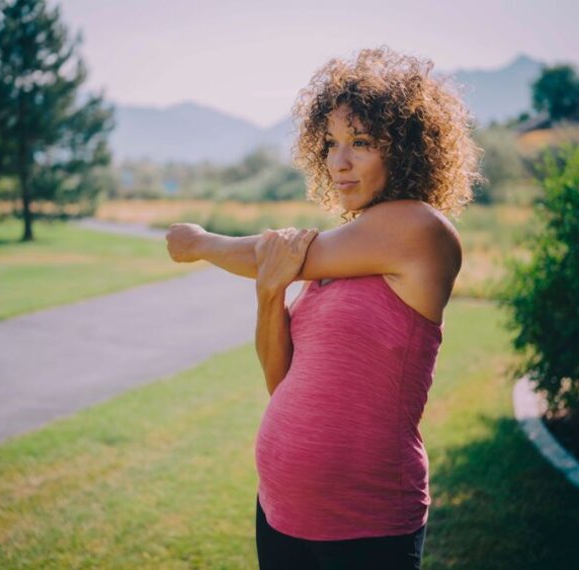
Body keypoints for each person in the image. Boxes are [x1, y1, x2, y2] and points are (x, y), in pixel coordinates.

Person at [165, 46, 482, 570]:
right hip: (280, 510)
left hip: (364, 521)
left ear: (406, 149)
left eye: (361, 142)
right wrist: (270, 293)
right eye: (331, 143)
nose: (339, 161)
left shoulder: (421, 230)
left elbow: (264, 252)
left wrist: (199, 242)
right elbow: (280, 379)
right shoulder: (341, 250)